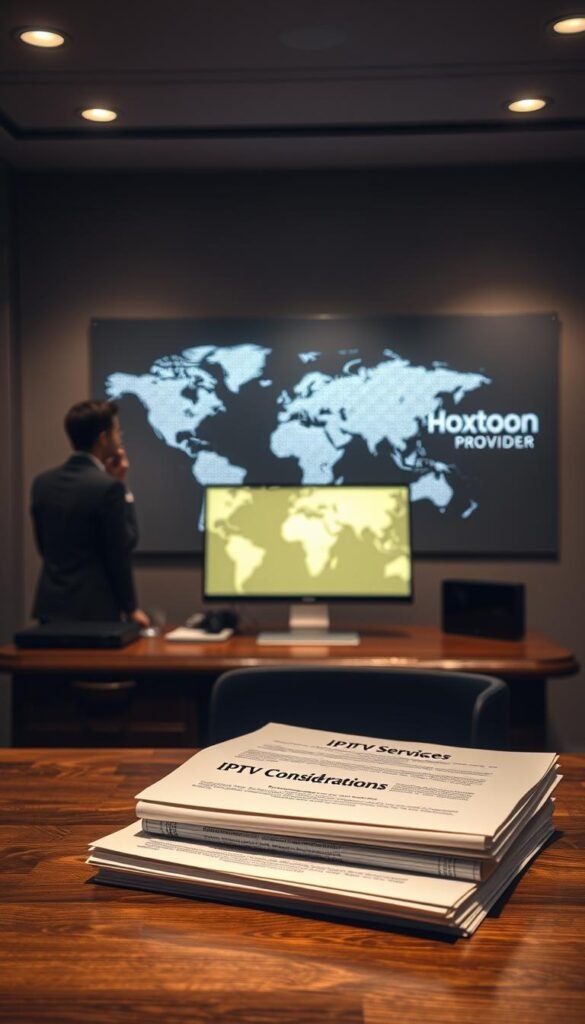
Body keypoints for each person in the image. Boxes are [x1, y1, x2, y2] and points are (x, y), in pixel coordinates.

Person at [30, 400, 150, 626]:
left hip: (50, 610)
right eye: (117, 431)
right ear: (103, 438)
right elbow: (124, 545)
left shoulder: (42, 483)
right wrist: (131, 608)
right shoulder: (109, 488)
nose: (120, 436)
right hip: (94, 613)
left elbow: (44, 547)